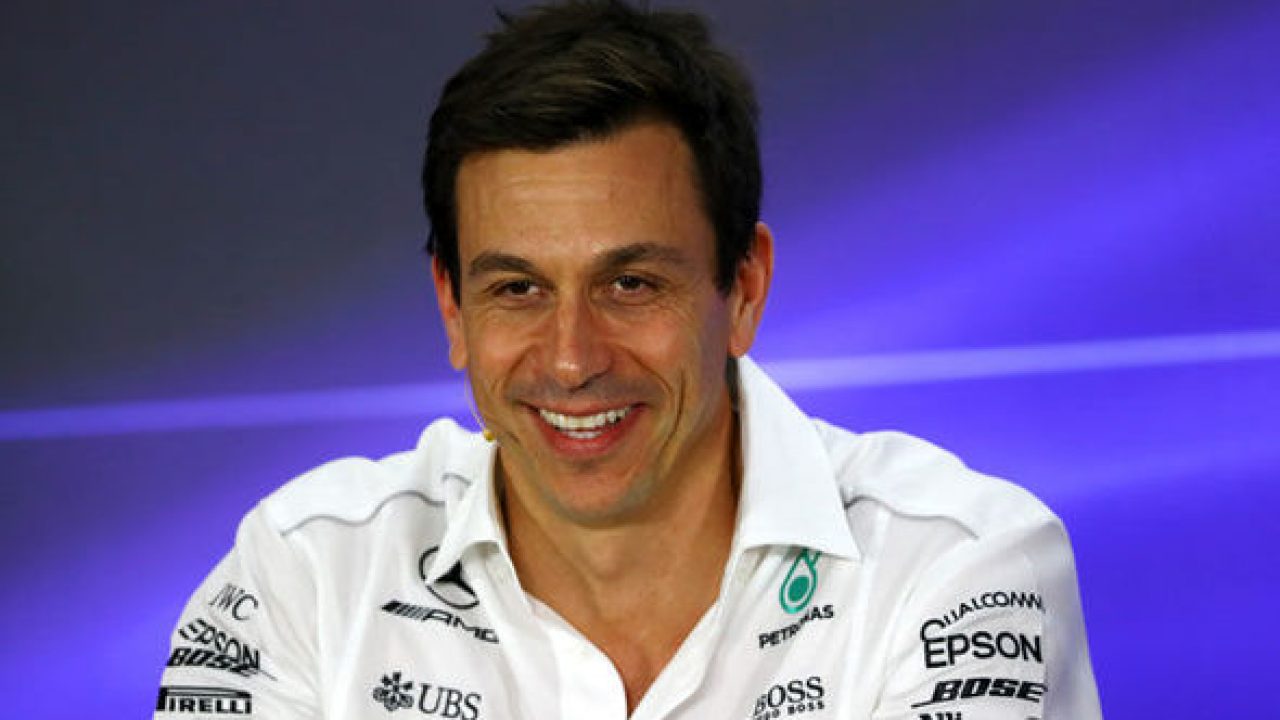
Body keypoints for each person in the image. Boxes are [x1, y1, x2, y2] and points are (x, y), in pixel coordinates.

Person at [153, 2, 1102, 718]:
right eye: (517, 288)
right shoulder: (307, 575)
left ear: (745, 287)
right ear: (451, 307)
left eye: (632, 283)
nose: (571, 360)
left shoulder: (957, 569)